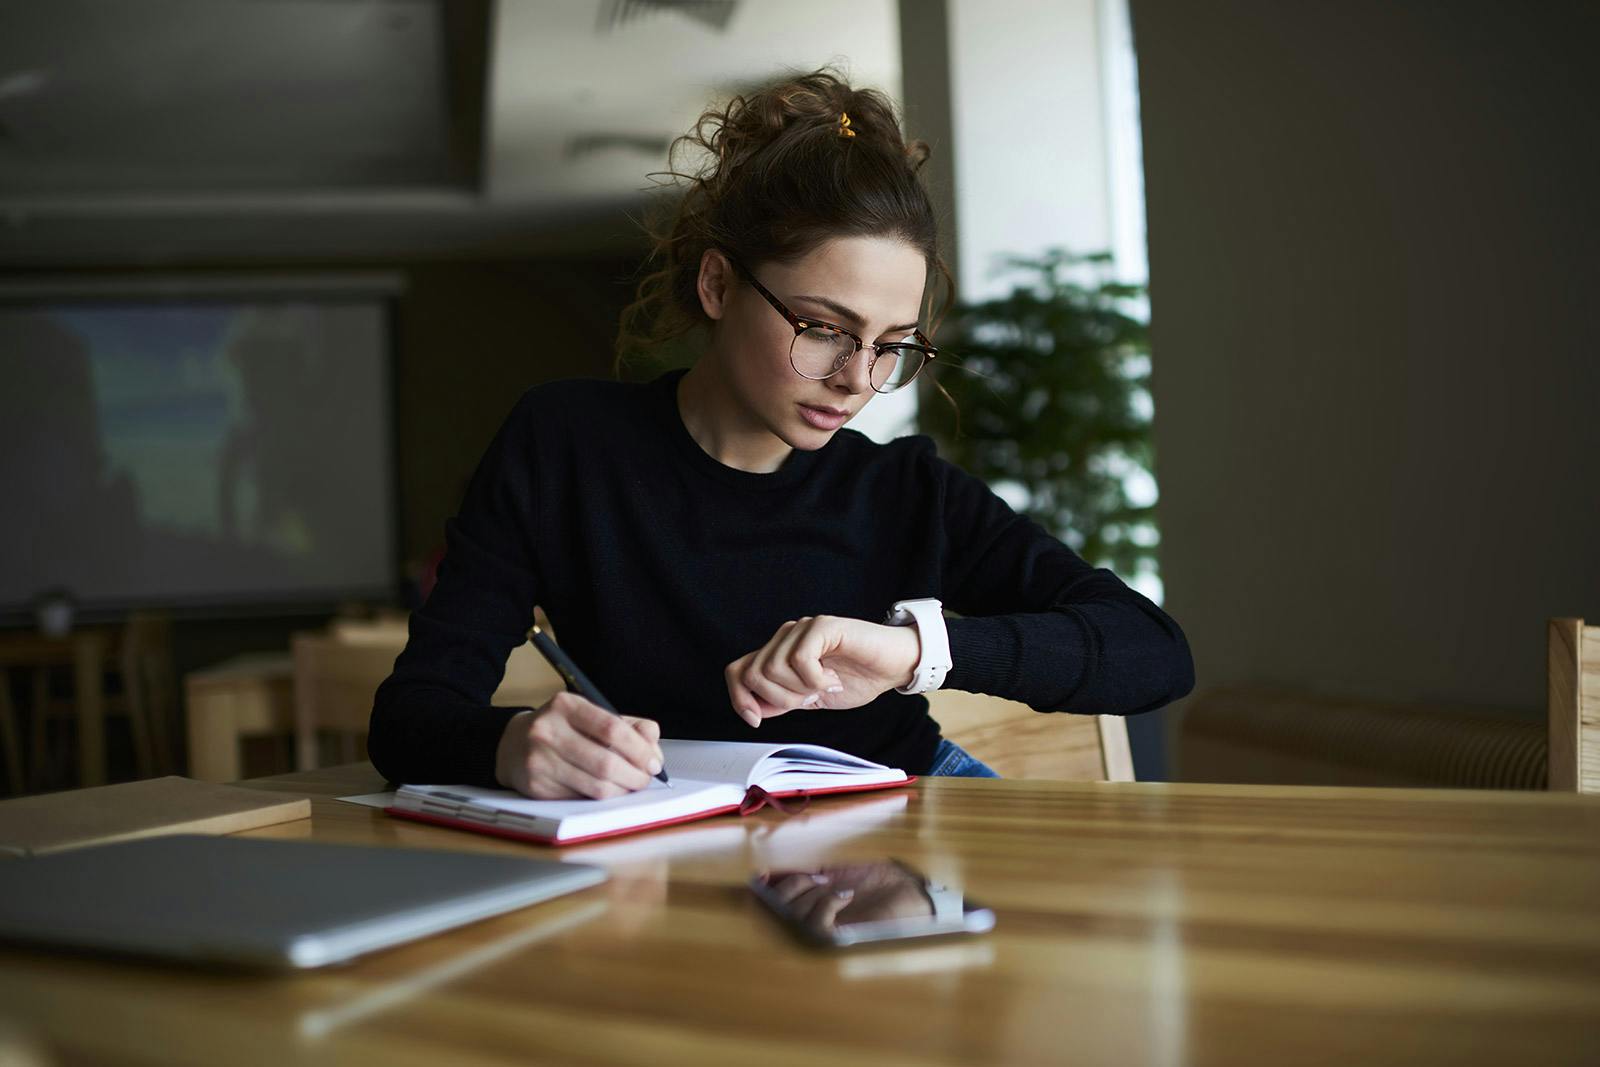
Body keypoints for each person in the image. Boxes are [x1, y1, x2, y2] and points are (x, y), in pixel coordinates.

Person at [368, 67, 1194, 799]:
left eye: (892, 346)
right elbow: (410, 718)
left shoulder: (905, 490)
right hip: (672, 830)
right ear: (720, 284)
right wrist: (511, 744)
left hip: (902, 816)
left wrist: (912, 652)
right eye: (825, 328)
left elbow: (1154, 651)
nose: (858, 380)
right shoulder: (565, 446)